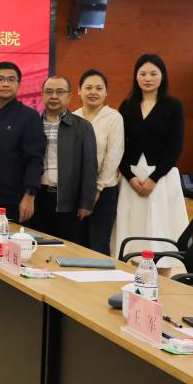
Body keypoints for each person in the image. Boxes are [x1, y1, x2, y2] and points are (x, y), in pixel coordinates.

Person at [113, 54, 187, 261]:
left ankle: (163, 275)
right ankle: (130, 271)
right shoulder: (126, 106)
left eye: (153, 73)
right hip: (132, 179)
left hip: (162, 177)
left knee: (161, 230)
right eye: (143, 73)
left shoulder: (174, 106)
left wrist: (154, 178)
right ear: (136, 76)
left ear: (162, 76)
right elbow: (119, 146)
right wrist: (129, 177)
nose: (148, 78)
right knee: (131, 228)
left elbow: (175, 146)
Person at [30, 75, 97, 245]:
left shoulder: (82, 127)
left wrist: (86, 203)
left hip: (69, 201)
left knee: (67, 248)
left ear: (69, 96)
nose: (54, 96)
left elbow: (90, 167)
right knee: (37, 247)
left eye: (60, 92)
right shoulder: (32, 124)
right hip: (37, 198)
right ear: (42, 95)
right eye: (49, 91)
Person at [0, 62, 45, 223]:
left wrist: (29, 196)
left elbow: (35, 159)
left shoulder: (29, 116)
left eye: (11, 79)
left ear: (19, 85)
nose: (6, 83)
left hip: (13, 200)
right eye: (0, 79)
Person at [73, 69, 124, 254]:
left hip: (104, 191)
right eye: (88, 88)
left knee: (98, 243)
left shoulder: (114, 117)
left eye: (99, 88)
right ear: (79, 90)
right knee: (76, 244)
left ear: (106, 92)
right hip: (76, 191)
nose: (93, 92)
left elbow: (113, 156)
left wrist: (96, 188)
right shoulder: (72, 117)